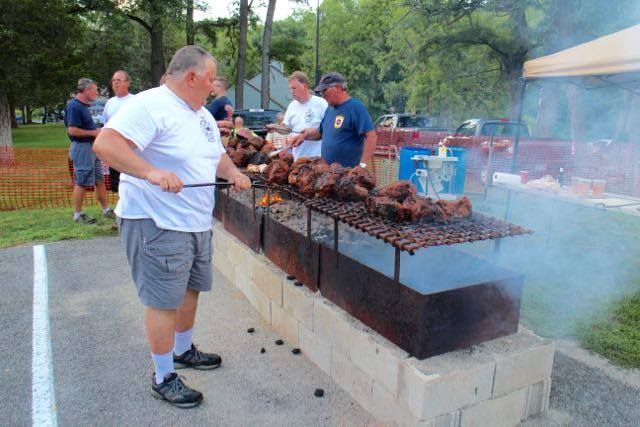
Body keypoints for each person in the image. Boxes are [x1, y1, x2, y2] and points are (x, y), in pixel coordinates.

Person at [93, 45, 251, 408]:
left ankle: (182, 351)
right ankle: (163, 375)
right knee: (164, 301)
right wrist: (152, 172)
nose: (214, 87)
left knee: (189, 290)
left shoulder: (202, 116)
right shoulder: (150, 105)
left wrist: (234, 174)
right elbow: (106, 144)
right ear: (191, 77)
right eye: (210, 79)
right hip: (156, 221)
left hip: (195, 221)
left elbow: (217, 158)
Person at [291, 72, 377, 169]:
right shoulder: (329, 109)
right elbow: (320, 132)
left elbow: (371, 137)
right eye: (321, 92)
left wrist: (363, 165)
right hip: (327, 175)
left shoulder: (355, 107)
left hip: (347, 176)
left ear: (338, 87)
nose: (322, 95)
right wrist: (305, 135)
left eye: (325, 90)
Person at [64, 78, 115, 224]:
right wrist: (94, 133)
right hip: (82, 148)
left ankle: (106, 210)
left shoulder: (83, 106)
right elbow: (72, 130)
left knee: (99, 180)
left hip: (91, 148)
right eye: (95, 90)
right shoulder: (74, 106)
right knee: (81, 182)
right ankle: (77, 215)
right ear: (86, 90)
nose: (97, 93)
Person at [270, 71, 327, 160]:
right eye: (290, 89)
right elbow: (286, 129)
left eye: (294, 88)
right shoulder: (292, 106)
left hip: (318, 158)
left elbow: (328, 129)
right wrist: (276, 128)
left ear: (305, 86)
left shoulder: (321, 103)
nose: (292, 92)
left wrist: (307, 134)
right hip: (298, 158)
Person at [101, 70, 135, 192]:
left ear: (127, 83)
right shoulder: (110, 103)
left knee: (132, 179)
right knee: (116, 183)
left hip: (131, 148)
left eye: (119, 80)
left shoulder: (135, 101)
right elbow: (105, 126)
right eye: (114, 81)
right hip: (114, 148)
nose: (115, 83)